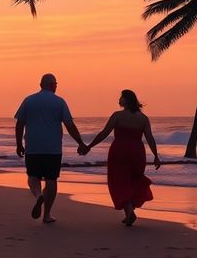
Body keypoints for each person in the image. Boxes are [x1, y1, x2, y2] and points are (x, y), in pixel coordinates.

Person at [15, 73, 88, 224]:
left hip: (33, 146)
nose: (56, 86)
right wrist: (80, 142)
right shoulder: (59, 102)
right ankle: (47, 215)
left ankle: (38, 196)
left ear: (41, 84)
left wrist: (18, 144)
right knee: (51, 180)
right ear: (51, 85)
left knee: (33, 177)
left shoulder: (28, 100)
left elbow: (20, 123)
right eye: (55, 84)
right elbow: (69, 125)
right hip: (53, 148)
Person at [82, 89, 160, 226]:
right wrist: (156, 156)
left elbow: (104, 133)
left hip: (119, 151)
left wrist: (89, 146)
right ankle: (128, 212)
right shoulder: (143, 118)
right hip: (137, 152)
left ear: (127, 100)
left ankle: (129, 211)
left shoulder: (117, 116)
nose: (119, 100)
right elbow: (150, 138)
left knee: (119, 181)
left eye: (121, 97)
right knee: (133, 180)